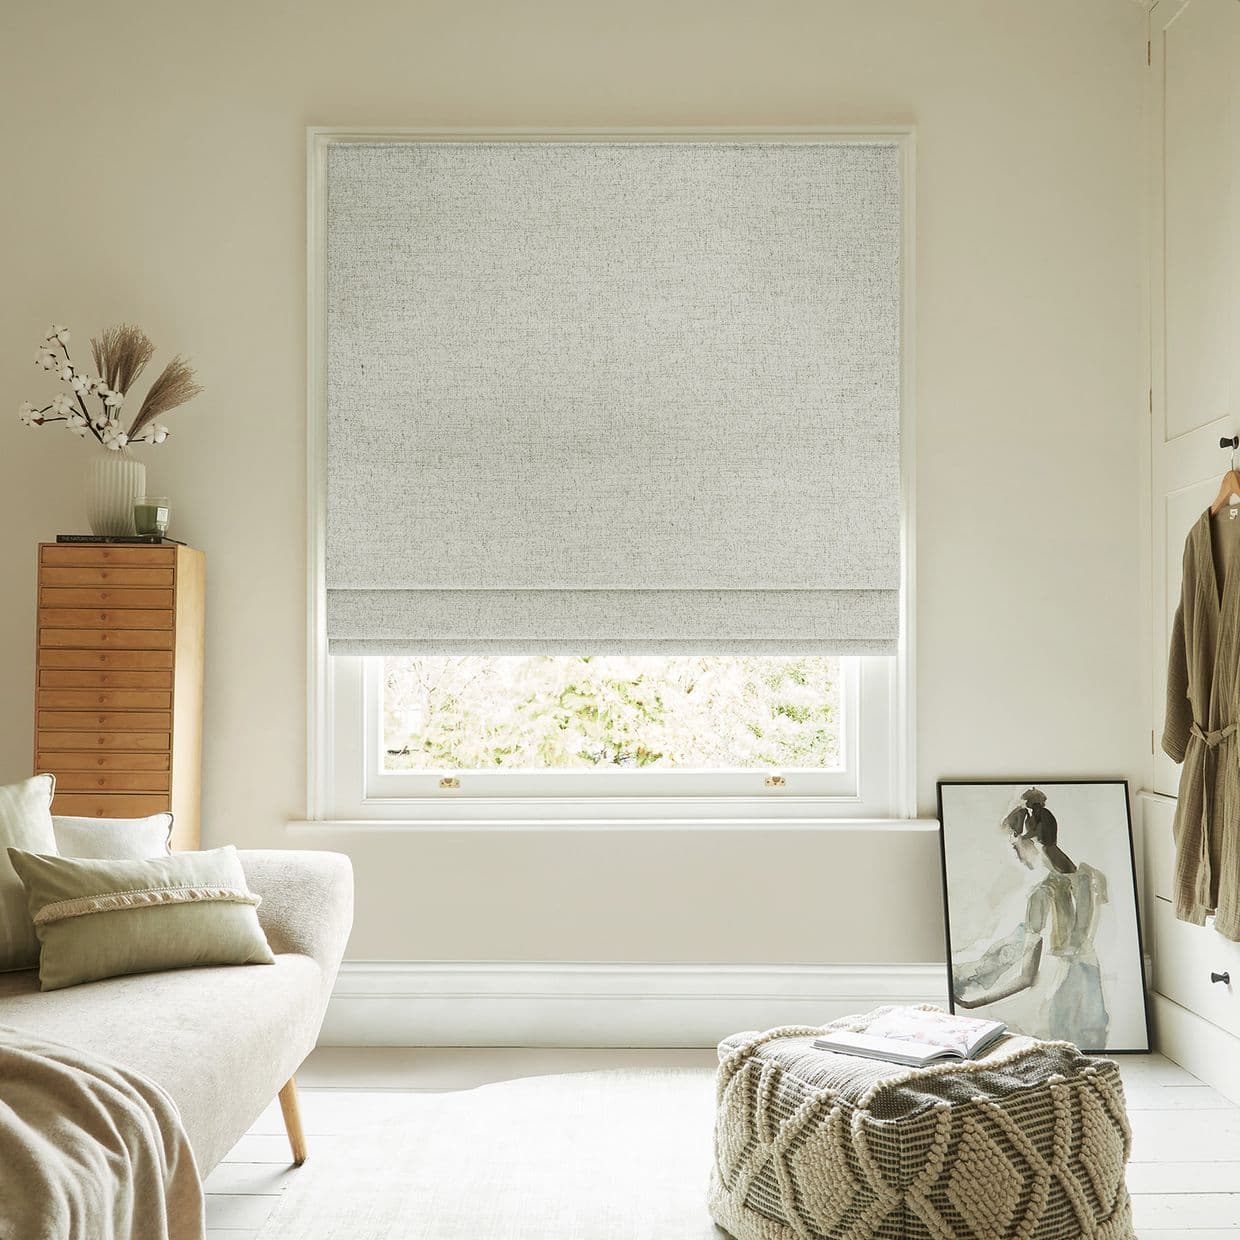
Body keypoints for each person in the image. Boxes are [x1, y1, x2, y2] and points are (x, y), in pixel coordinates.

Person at [952, 788, 1110, 1047]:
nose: (1015, 855)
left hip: (1059, 998)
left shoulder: (1042, 892)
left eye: (1015, 846)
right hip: (1093, 995)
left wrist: (972, 1003)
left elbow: (1027, 977)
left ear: (1027, 840)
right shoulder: (1092, 877)